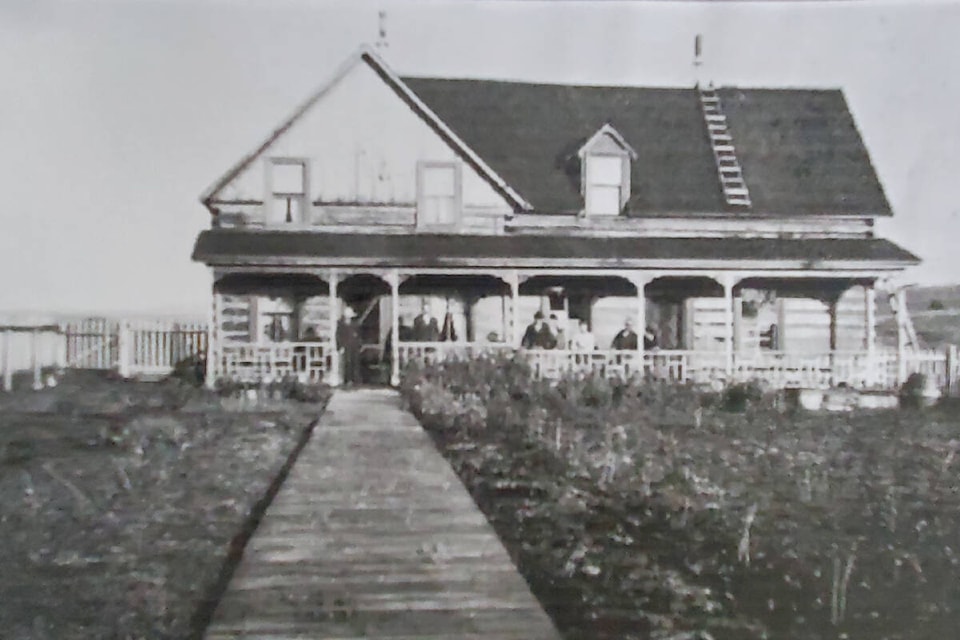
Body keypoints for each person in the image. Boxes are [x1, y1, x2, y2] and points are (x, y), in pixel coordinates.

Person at [336, 307, 362, 385]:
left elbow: (358, 335)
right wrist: (340, 346)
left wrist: (359, 344)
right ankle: (347, 379)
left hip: (354, 346)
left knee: (355, 362)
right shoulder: (341, 325)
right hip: (346, 346)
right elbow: (338, 336)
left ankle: (355, 379)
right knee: (347, 362)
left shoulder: (354, 324)